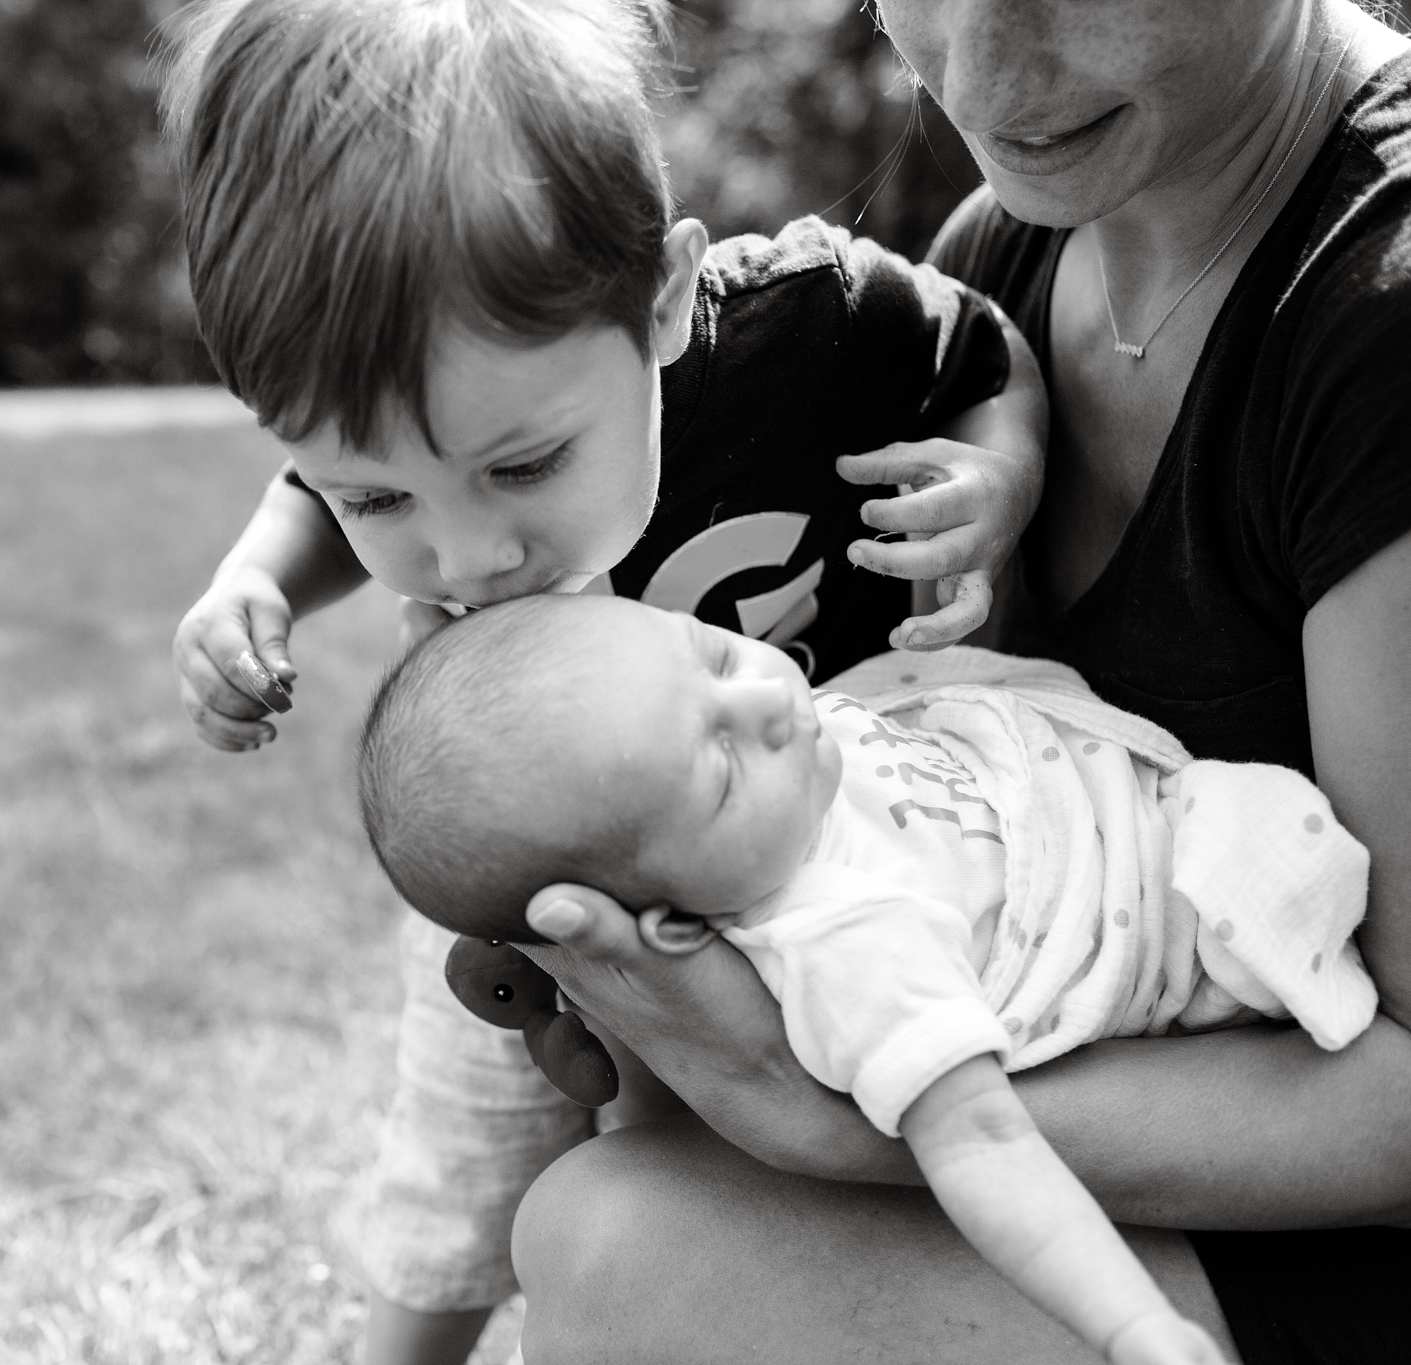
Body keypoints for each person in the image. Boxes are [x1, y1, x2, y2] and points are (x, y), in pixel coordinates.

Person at [510, 3, 1411, 1362]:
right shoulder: (1006, 249)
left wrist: (827, 1108)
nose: (981, 81)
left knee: (631, 1250)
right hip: (1144, 1165)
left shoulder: (1379, 314)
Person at [158, 1, 1051, 1358]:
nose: (468, 554)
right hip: (536, 888)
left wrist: (1001, 474)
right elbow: (299, 490)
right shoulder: (455, 432)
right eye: (379, 493)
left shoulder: (808, 325)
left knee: (733, 1177)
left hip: (806, 859)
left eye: (522, 467)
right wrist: (257, 584)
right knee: (468, 1156)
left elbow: (978, 347)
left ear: (666, 301)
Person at [357, 590, 1382, 1360]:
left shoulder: (779, 769)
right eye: (719, 768)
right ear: (669, 923)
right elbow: (988, 1150)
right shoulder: (846, 943)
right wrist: (1128, 1327)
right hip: (1232, 910)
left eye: (710, 654)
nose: (761, 701)